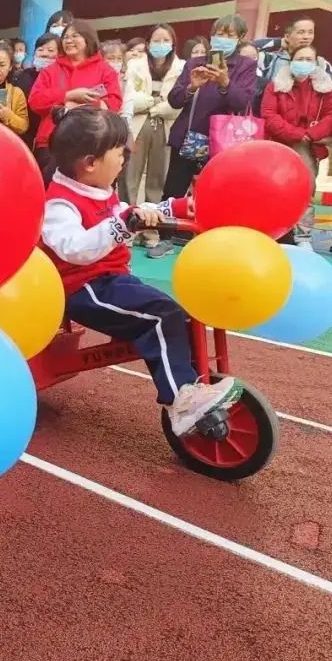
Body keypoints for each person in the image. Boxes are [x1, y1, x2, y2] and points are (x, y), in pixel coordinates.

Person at [41, 106, 244, 437]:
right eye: (119, 153)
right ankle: (182, 398)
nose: (125, 158)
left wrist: (171, 208)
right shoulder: (60, 203)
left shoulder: (97, 187)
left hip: (112, 281)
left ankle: (192, 383)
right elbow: (74, 248)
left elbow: (125, 210)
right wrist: (122, 223)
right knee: (163, 315)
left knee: (176, 314)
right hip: (84, 289)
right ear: (90, 162)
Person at [162, 14, 256, 203]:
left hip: (223, 142)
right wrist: (192, 87)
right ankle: (170, 233)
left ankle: (209, 231)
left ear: (240, 38)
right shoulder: (194, 63)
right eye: (218, 34)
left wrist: (225, 83)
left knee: (214, 194)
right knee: (174, 192)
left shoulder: (246, 66)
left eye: (229, 35)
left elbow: (242, 102)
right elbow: (174, 100)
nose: (222, 39)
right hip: (188, 138)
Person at [261, 43, 332, 249]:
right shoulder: (275, 85)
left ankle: (303, 237)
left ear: (316, 63)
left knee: (305, 190)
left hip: (308, 147)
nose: (304, 63)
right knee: (274, 189)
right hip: (279, 144)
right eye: (299, 59)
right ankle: (272, 231)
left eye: (308, 60)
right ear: (291, 61)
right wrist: (296, 134)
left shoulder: (326, 88)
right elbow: (269, 115)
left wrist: (311, 134)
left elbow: (331, 115)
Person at [27, 19, 122, 175]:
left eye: (75, 36)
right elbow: (35, 100)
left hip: (90, 142)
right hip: (51, 142)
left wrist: (83, 106)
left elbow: (114, 103)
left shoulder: (105, 70)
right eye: (65, 37)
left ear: (88, 39)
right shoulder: (50, 70)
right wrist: (67, 96)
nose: (69, 41)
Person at [123, 24, 186, 254]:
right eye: (156, 40)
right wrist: (151, 103)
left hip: (165, 124)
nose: (160, 45)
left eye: (165, 40)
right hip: (138, 124)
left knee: (157, 180)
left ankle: (151, 230)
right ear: (148, 44)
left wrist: (162, 108)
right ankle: (128, 227)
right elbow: (129, 96)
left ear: (172, 44)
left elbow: (180, 100)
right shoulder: (135, 64)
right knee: (130, 176)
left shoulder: (182, 67)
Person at [14, 32, 60, 150]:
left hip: (49, 137)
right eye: (40, 49)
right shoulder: (24, 75)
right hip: (23, 134)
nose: (45, 54)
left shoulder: (61, 77)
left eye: (50, 50)